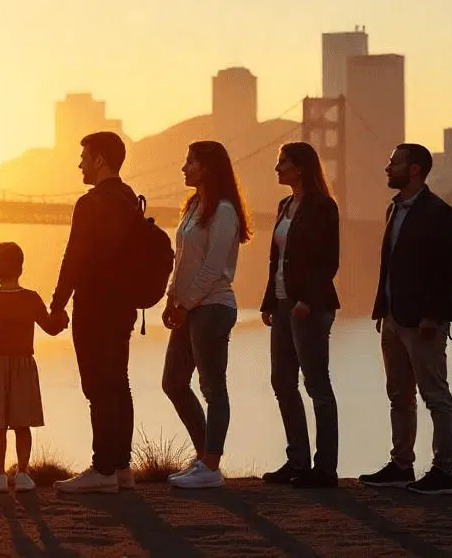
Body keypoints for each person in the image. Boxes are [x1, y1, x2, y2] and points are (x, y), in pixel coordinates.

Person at [358, 143, 452, 495]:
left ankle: (443, 471)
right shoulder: (394, 209)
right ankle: (401, 465)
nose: (387, 168)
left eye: (394, 163)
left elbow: (445, 271)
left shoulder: (439, 212)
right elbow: (389, 265)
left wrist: (433, 316)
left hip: (423, 323)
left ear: (414, 169)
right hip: (392, 317)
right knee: (398, 395)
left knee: (435, 395)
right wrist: (380, 310)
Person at [51, 131, 142, 494]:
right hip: (123, 307)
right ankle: (121, 469)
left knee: (98, 387)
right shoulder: (130, 199)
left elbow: (75, 256)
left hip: (94, 306)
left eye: (84, 156)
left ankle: (102, 469)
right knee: (119, 383)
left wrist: (57, 303)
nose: (80, 164)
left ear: (100, 159)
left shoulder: (91, 203)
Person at [162, 140, 251, 490]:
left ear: (208, 168)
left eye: (190, 162)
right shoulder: (194, 205)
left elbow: (214, 267)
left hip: (213, 307)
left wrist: (186, 303)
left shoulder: (224, 210)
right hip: (190, 307)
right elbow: (180, 259)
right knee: (173, 382)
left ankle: (211, 465)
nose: (184, 168)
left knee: (213, 387)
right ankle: (204, 459)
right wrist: (172, 298)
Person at [260, 142, 341, 488]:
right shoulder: (284, 205)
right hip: (281, 306)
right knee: (282, 382)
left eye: (283, 163)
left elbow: (328, 260)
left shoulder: (323, 207)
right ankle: (297, 461)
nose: (277, 168)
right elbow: (277, 261)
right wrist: (268, 301)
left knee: (316, 384)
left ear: (301, 167)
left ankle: (324, 469)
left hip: (309, 307)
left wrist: (308, 300)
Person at [0, 242, 66, 493]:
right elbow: (50, 327)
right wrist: (62, 318)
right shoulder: (31, 298)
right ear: (21, 268)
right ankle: (22, 473)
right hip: (24, 364)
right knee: (23, 424)